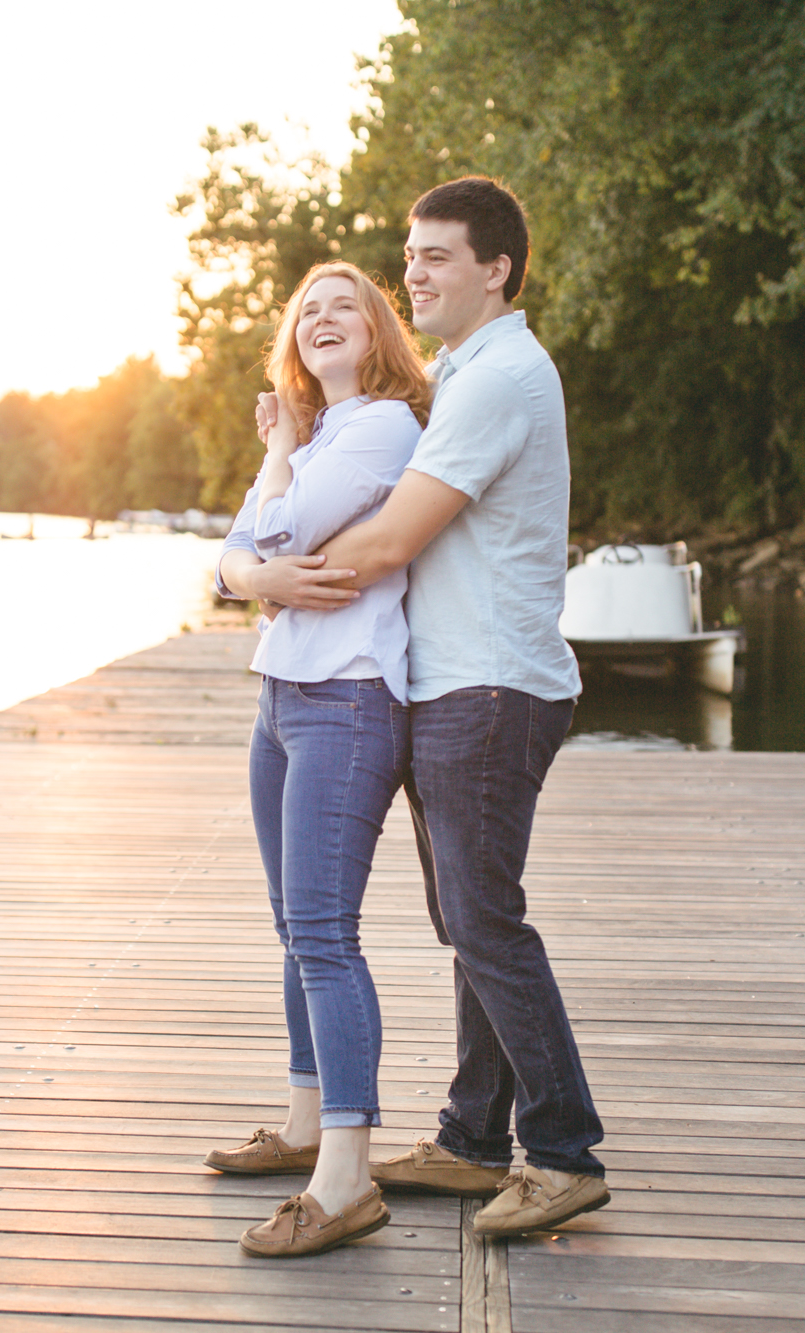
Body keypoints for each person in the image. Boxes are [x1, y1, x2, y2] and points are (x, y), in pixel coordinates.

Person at [240, 177, 609, 1238]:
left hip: (488, 684)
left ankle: (562, 1150)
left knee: (481, 916)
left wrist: (267, 576)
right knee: (466, 915)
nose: (413, 272)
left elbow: (393, 537)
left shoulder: (496, 379)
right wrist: (264, 566)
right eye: (409, 254)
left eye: (437, 255)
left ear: (495, 270)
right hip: (453, 680)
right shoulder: (454, 373)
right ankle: (468, 1137)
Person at [206, 261, 432, 1258]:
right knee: (290, 927)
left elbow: (272, 533)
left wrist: (252, 550)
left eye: (345, 306)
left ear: (379, 332)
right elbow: (231, 562)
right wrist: (251, 562)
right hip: (280, 692)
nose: (323, 320)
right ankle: (303, 1123)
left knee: (323, 935)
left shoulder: (381, 426)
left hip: (344, 698)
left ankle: (343, 1178)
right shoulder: (318, 437)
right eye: (308, 312)